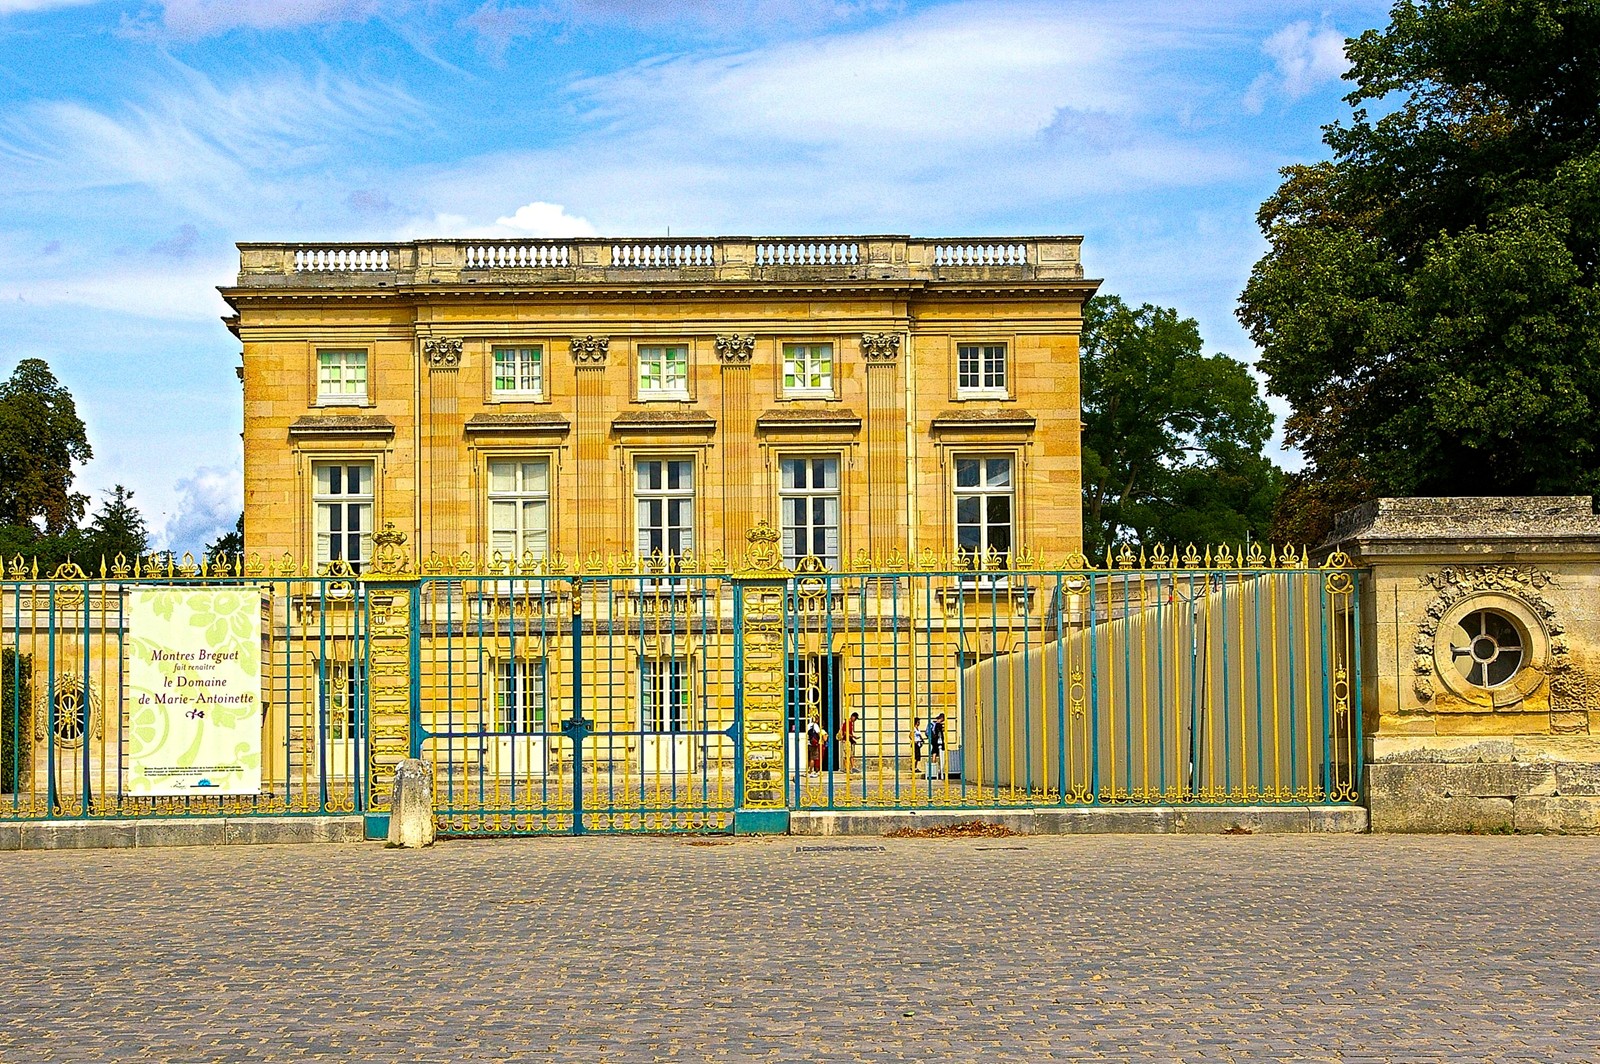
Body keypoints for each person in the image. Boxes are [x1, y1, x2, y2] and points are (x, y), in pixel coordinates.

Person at [926, 713, 946, 779]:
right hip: (937, 741)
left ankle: (934, 766)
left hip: (933, 739)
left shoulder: (932, 723)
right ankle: (936, 767)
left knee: (934, 752)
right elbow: (939, 733)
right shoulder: (938, 724)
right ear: (942, 718)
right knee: (936, 752)